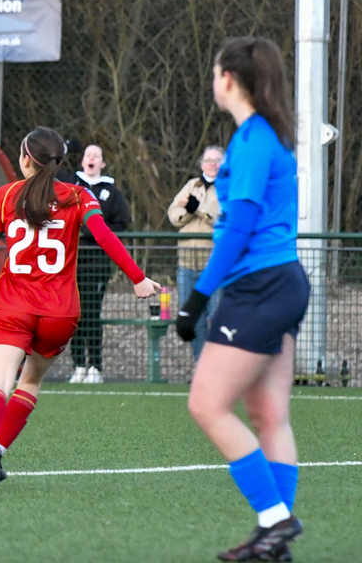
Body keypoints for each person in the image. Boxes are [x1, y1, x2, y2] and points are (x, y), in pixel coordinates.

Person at [0, 127, 159, 491]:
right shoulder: (79, 196)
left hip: (14, 305)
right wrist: (138, 277)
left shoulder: (6, 195)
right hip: (60, 312)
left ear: (25, 159)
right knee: (29, 382)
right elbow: (106, 236)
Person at [177, 38, 307, 561]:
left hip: (261, 286)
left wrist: (198, 297)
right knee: (269, 414)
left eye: (214, 72)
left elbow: (240, 226)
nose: (213, 81)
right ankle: (273, 539)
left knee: (206, 403)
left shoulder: (253, 140)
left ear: (229, 78)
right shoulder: (263, 136)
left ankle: (277, 522)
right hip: (284, 283)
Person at [69, 143, 131, 384]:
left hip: (98, 262)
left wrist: (95, 233)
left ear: (103, 163)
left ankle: (95, 366)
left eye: (97, 156)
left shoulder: (111, 192)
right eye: (88, 155)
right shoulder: (71, 187)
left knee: (92, 312)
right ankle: (77, 366)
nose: (92, 158)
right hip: (73, 261)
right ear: (82, 161)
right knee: (74, 313)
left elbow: (121, 223)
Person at [167, 146, 224, 361]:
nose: (212, 164)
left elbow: (222, 217)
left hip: (213, 264)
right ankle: (201, 364)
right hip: (187, 262)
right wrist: (191, 210)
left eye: (217, 160)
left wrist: (196, 208)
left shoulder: (228, 187)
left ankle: (218, 366)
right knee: (194, 317)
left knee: (217, 315)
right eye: (208, 160)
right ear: (201, 164)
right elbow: (174, 214)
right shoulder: (192, 185)